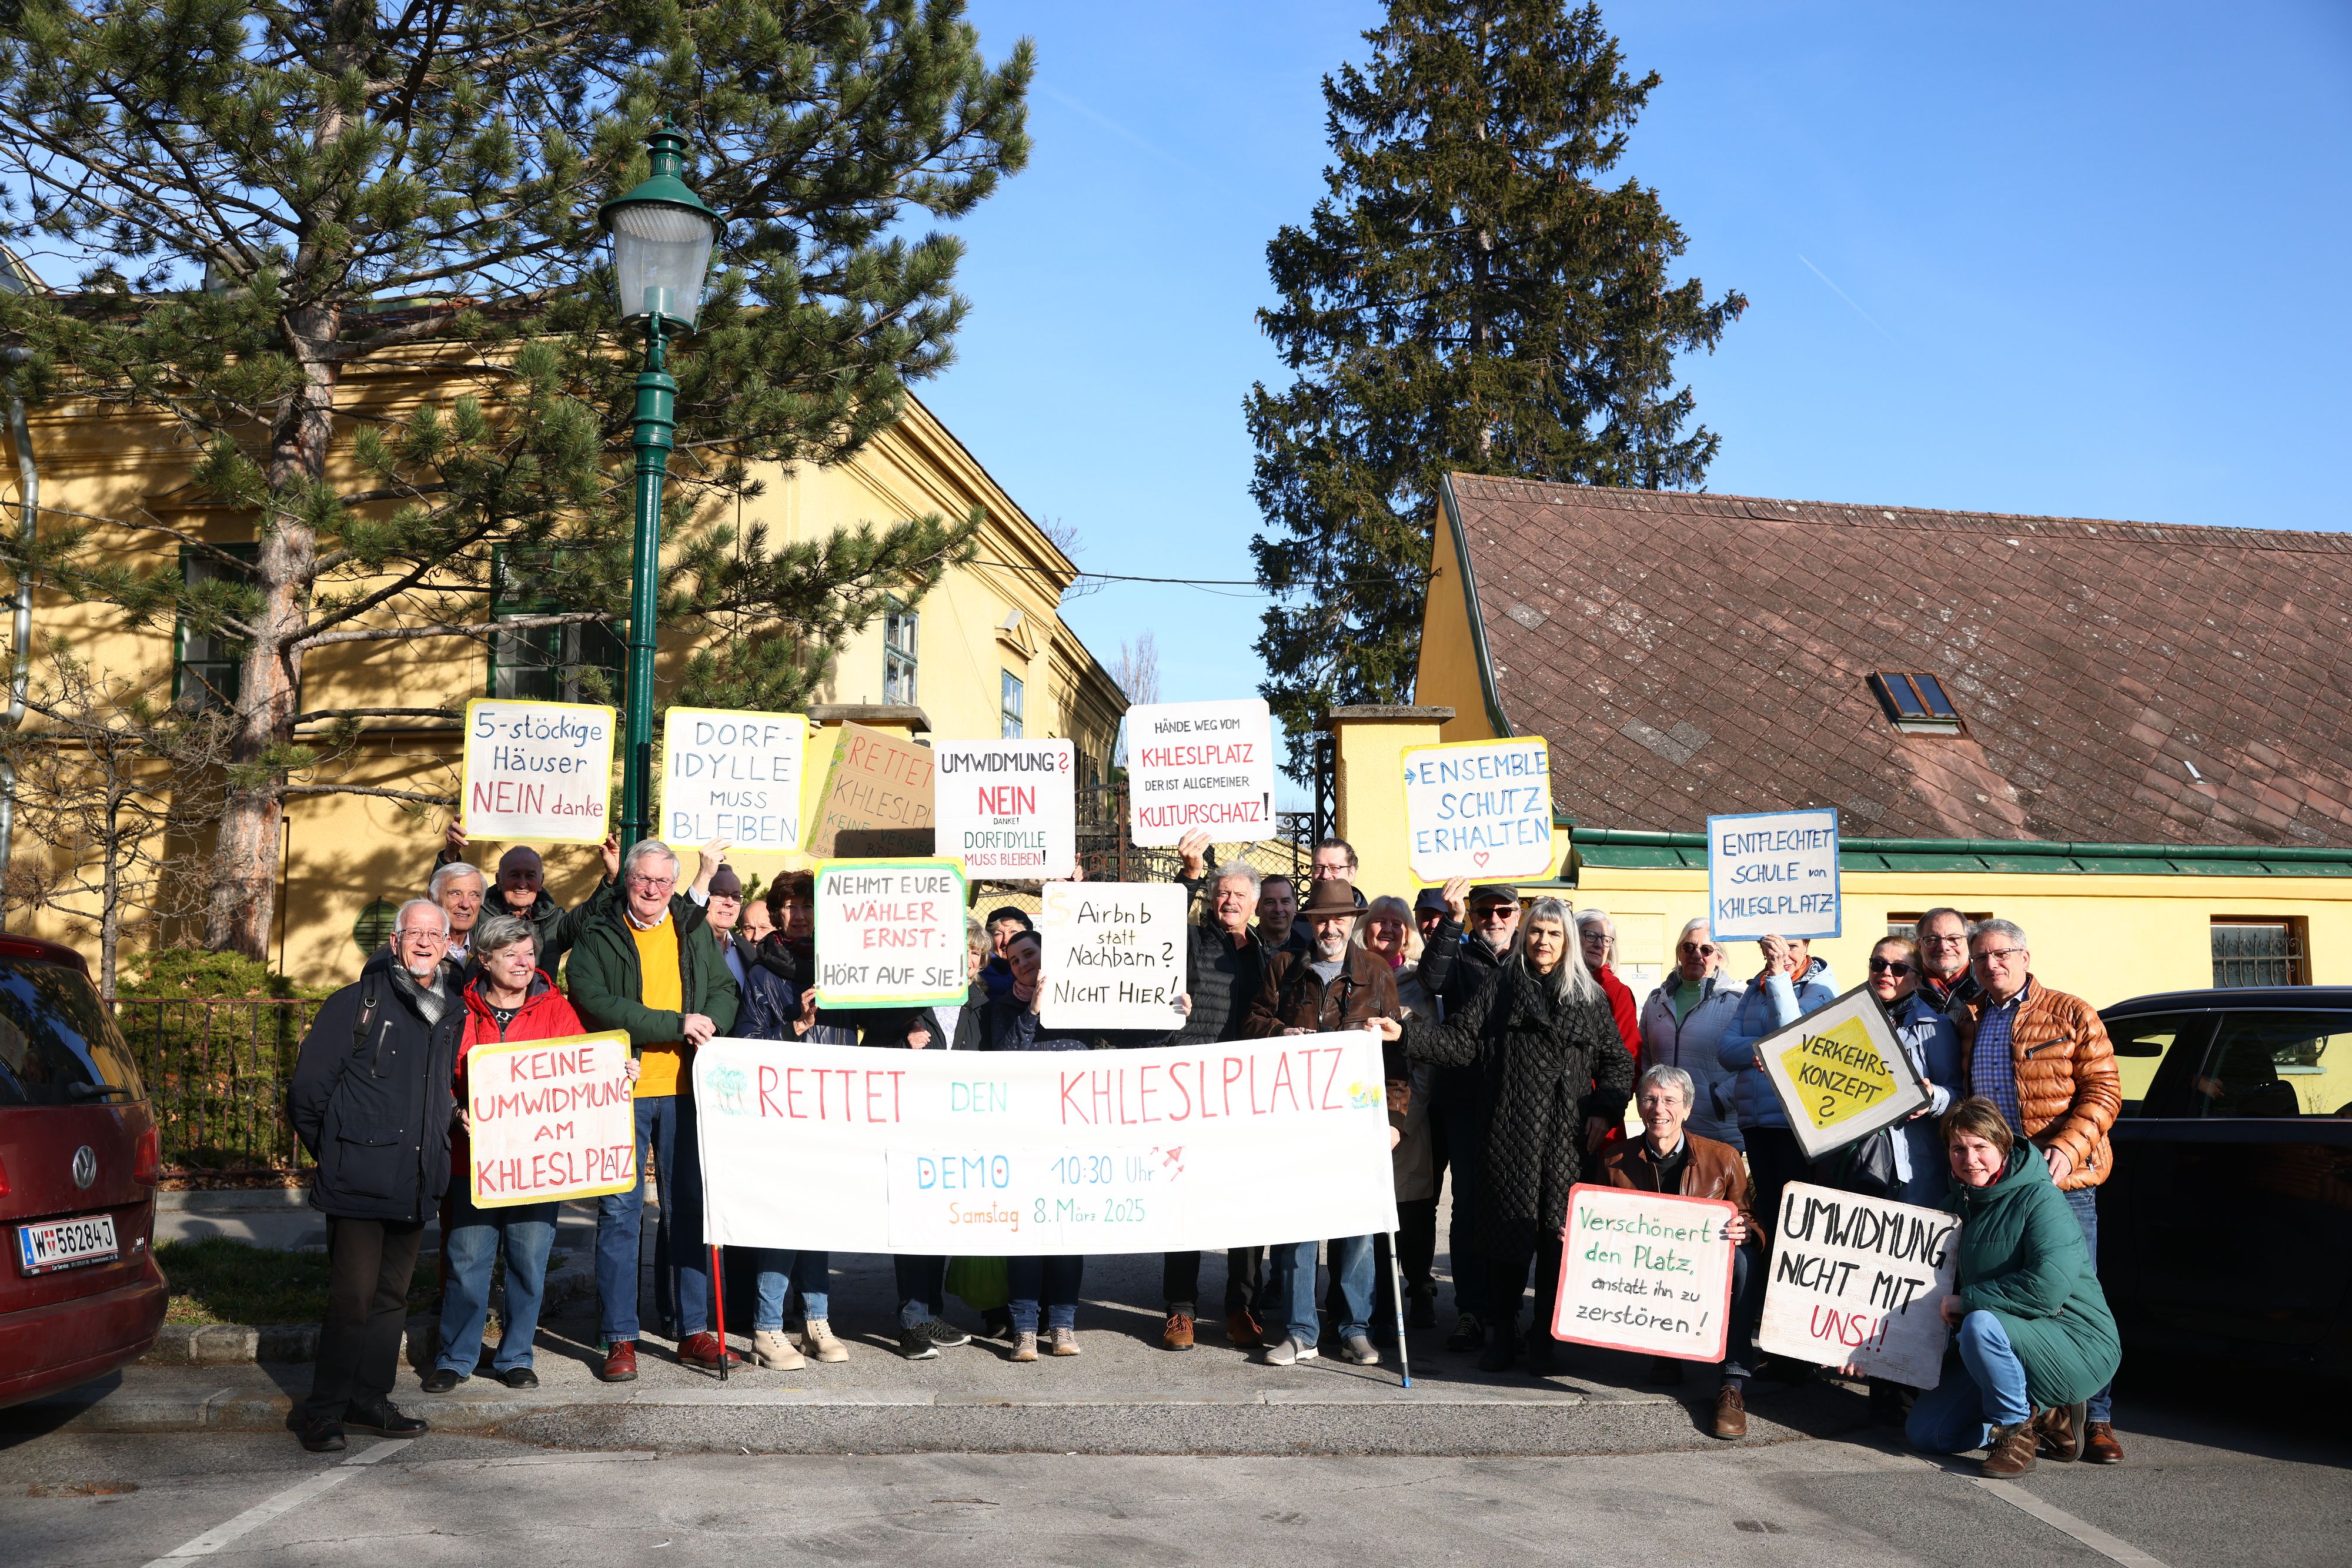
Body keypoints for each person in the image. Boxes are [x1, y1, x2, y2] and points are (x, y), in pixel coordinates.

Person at [1389, 896, 1634, 1375]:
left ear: (1566, 942)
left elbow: (1618, 1062)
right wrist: (1404, 1035)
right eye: (1538, 932)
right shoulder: (1502, 983)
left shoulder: (1589, 996)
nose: (1544, 941)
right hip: (1509, 1131)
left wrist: (1604, 1110)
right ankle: (1503, 1333)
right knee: (1504, 1240)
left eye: (1555, 934)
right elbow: (1460, 1041)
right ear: (1526, 936)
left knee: (1556, 1240)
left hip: (1567, 1138)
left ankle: (1543, 1336)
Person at [286, 898, 463, 1453]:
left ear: (447, 944)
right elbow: (306, 1094)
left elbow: (435, 1089)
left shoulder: (450, 1011)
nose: (426, 943)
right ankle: (323, 1410)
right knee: (352, 1298)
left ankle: (369, 1398)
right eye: (416, 933)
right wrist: (339, 1153)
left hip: (415, 1178)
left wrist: (450, 1117)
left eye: (436, 935)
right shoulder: (355, 1003)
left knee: (391, 1298)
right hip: (358, 1180)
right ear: (395, 940)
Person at [567, 840, 740, 1380]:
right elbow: (593, 999)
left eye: (664, 882)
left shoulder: (691, 929)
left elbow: (724, 989)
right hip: (624, 1089)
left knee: (687, 1209)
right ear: (628, 879)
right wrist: (675, 1023)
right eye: (643, 879)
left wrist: (710, 1020)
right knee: (620, 1214)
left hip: (687, 1089)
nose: (652, 890)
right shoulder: (600, 933)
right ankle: (620, 1337)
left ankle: (693, 1330)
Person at [1959, 919, 2126, 1464]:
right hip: (1999, 1183)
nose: (1991, 965)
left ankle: (2096, 1416)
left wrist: (2069, 1149)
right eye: (1981, 957)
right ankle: (2042, 1413)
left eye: (2001, 954)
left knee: (2075, 1296)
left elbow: (2105, 1089)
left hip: (2062, 1181)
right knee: (2012, 1291)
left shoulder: (2070, 1012)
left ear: (2026, 955)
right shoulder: (1973, 1019)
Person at [423, 915, 611, 1393]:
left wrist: (617, 1072)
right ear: (484, 960)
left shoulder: (557, 1009)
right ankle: (456, 1354)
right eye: (512, 955)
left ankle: (515, 1356)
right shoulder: (458, 1012)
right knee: (467, 1261)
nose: (525, 963)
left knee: (529, 1264)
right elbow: (436, 1077)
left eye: (529, 953)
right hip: (475, 1163)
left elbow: (583, 1072)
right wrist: (454, 1110)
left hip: (537, 1167)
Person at [1907, 1097, 2122, 1478]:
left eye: (1980, 1147)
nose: (1969, 1158)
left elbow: (2047, 1287)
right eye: (1958, 1148)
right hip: (2002, 1343)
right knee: (1928, 1433)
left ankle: (2016, 1433)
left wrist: (1968, 1299)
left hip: (2075, 1339)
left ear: (2003, 1148)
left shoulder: (2041, 1198)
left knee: (1979, 1322)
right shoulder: (1951, 1208)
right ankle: (2047, 1415)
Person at [1247, 878, 1402, 1367]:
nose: (1330, 926)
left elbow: (1399, 1056)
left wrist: (1395, 1119)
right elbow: (1250, 1024)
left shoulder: (1377, 973)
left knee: (1356, 1230)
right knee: (1297, 1229)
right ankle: (1299, 1332)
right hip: (1298, 1121)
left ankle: (1355, 1328)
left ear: (1353, 921)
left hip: (1357, 1121)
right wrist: (1280, 1031)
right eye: (1320, 918)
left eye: (1338, 918)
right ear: (1308, 922)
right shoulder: (1284, 968)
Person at [1601, 1064, 1765, 1439]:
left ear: (1688, 1110)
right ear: (1639, 1107)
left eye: (1670, 1101)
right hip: (1646, 1267)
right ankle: (1667, 1347)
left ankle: (1733, 1385)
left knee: (1743, 1262)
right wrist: (1579, 1235)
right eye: (1650, 1099)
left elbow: (1751, 1219)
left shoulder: (1723, 1158)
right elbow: (1602, 1222)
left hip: (1701, 1266)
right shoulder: (1614, 1160)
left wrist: (1746, 1230)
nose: (1660, 1109)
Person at [1158, 835, 1274, 1351]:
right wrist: (1188, 874)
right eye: (1222, 892)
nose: (1229, 901)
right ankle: (1180, 1310)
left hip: (1246, 1094)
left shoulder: (1269, 954)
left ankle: (1240, 1307)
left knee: (1247, 1203)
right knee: (1182, 1203)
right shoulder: (1191, 940)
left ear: (1254, 904)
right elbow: (1162, 920)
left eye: (1239, 895)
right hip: (1190, 1087)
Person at [957, 928, 1090, 1359]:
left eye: (1029, 954)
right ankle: (1026, 1328)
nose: (1024, 964)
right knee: (1026, 1235)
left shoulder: (1086, 999)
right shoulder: (1004, 1007)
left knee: (1067, 1235)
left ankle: (1064, 1325)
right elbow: (1009, 1055)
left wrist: (1170, 1013)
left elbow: (1129, 1042)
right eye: (1014, 960)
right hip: (1025, 1137)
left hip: (1072, 1132)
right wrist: (1032, 1009)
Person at [1414, 878, 1522, 1351]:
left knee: (1513, 1208)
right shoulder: (1457, 953)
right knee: (1468, 1207)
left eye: (1503, 911)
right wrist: (1452, 921)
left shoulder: (1532, 957)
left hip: (1519, 1102)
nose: (1494, 920)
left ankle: (1507, 1311)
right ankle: (1471, 1310)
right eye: (1484, 912)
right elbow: (1431, 980)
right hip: (1463, 1100)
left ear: (1518, 915)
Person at [729, 948, 848, 1368]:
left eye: (807, 907)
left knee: (817, 1218)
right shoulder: (763, 975)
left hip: (829, 1105)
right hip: (781, 1110)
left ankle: (816, 1322)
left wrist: (910, 1023)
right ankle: (767, 1328)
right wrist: (794, 1025)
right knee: (784, 1218)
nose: (800, 915)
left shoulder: (844, 964)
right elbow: (745, 1043)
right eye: (791, 906)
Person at [1716, 934, 1837, 1246]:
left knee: (1797, 1220)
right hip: (1755, 1121)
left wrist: (1779, 977)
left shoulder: (1821, 988)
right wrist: (1769, 1051)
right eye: (1774, 949)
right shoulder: (1755, 989)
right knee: (1768, 1214)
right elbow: (1726, 1051)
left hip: (1796, 1124)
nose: (1782, 956)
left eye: (1792, 948)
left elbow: (1794, 1038)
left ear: (1808, 946)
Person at [1362, 894, 1439, 1333]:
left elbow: (1427, 1062)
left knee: (1411, 1216)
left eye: (1397, 923)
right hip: (1359, 1116)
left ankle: (1420, 1289)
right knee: (1370, 1218)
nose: (1387, 929)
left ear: (1408, 933)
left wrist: (1401, 1122)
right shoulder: (1354, 977)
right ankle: (1375, 1305)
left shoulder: (1418, 986)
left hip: (1405, 1123)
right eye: (1379, 922)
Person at [436, 824, 619, 976]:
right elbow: (444, 898)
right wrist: (449, 856)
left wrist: (612, 877)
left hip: (536, 1015)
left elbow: (589, 914)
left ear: (541, 882)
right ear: (499, 880)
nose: (522, 884)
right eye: (514, 875)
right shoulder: (477, 915)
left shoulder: (555, 924)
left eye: (530, 876)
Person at [1636, 919, 1746, 1149]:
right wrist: (1648, 1098)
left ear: (1719, 957)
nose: (1697, 954)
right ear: (1679, 952)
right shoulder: (1657, 1001)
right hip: (1666, 1127)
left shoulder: (1739, 1001)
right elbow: (1645, 1056)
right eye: (1689, 947)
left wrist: (1721, 1099)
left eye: (1706, 949)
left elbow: (1754, 1061)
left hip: (1716, 1128)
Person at [1573, 910, 1643, 1064]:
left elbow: (1629, 1059)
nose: (1599, 945)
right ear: (1572, 938)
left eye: (1605, 940)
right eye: (1591, 935)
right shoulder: (1555, 982)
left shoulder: (1617, 992)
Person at [1912, 908, 1982, 1017]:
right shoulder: (1904, 988)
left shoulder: (1989, 986)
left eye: (1953, 938)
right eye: (1932, 940)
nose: (1944, 947)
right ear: (1919, 946)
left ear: (1969, 943)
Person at [429, 861, 487, 968]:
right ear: (433, 898)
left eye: (475, 895)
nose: (465, 904)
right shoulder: (411, 952)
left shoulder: (488, 956)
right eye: (456, 894)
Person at [706, 865, 750, 990]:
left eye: (736, 896)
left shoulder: (747, 949)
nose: (729, 902)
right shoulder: (687, 944)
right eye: (720, 894)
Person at [978, 906, 1034, 998]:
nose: (1006, 941)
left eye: (1013, 932)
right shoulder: (980, 973)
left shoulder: (1040, 968)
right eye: (998, 934)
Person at [1255, 873, 1310, 960]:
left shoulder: (1311, 952)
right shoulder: (1243, 951)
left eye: (1285, 901)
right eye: (1270, 902)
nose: (1278, 909)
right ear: (1257, 908)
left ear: (1295, 907)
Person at [1310, 837, 1368, 907]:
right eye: (1318, 868)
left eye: (1334, 868)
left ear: (1351, 874)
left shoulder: (1368, 917)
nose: (1325, 875)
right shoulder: (1299, 917)